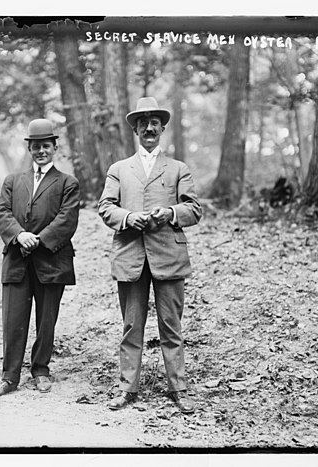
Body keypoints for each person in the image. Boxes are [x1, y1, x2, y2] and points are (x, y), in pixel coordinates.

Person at [98, 97, 202, 413]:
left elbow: (194, 209)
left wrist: (169, 212)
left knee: (172, 327)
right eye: (143, 123)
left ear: (162, 128)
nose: (149, 127)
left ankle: (178, 388)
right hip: (130, 256)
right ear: (136, 130)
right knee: (132, 326)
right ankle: (127, 389)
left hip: (168, 256)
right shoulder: (119, 169)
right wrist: (129, 218)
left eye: (154, 122)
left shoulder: (178, 168)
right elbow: (105, 207)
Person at [0, 118, 80, 399]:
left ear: (54, 148)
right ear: (30, 149)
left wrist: (39, 240)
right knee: (13, 319)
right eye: (36, 146)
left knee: (46, 319)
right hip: (17, 260)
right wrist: (19, 235)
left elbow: (67, 219)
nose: (41, 151)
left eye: (46, 146)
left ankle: (40, 369)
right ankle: (10, 376)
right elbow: (3, 212)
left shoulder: (67, 183)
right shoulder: (13, 181)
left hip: (51, 261)